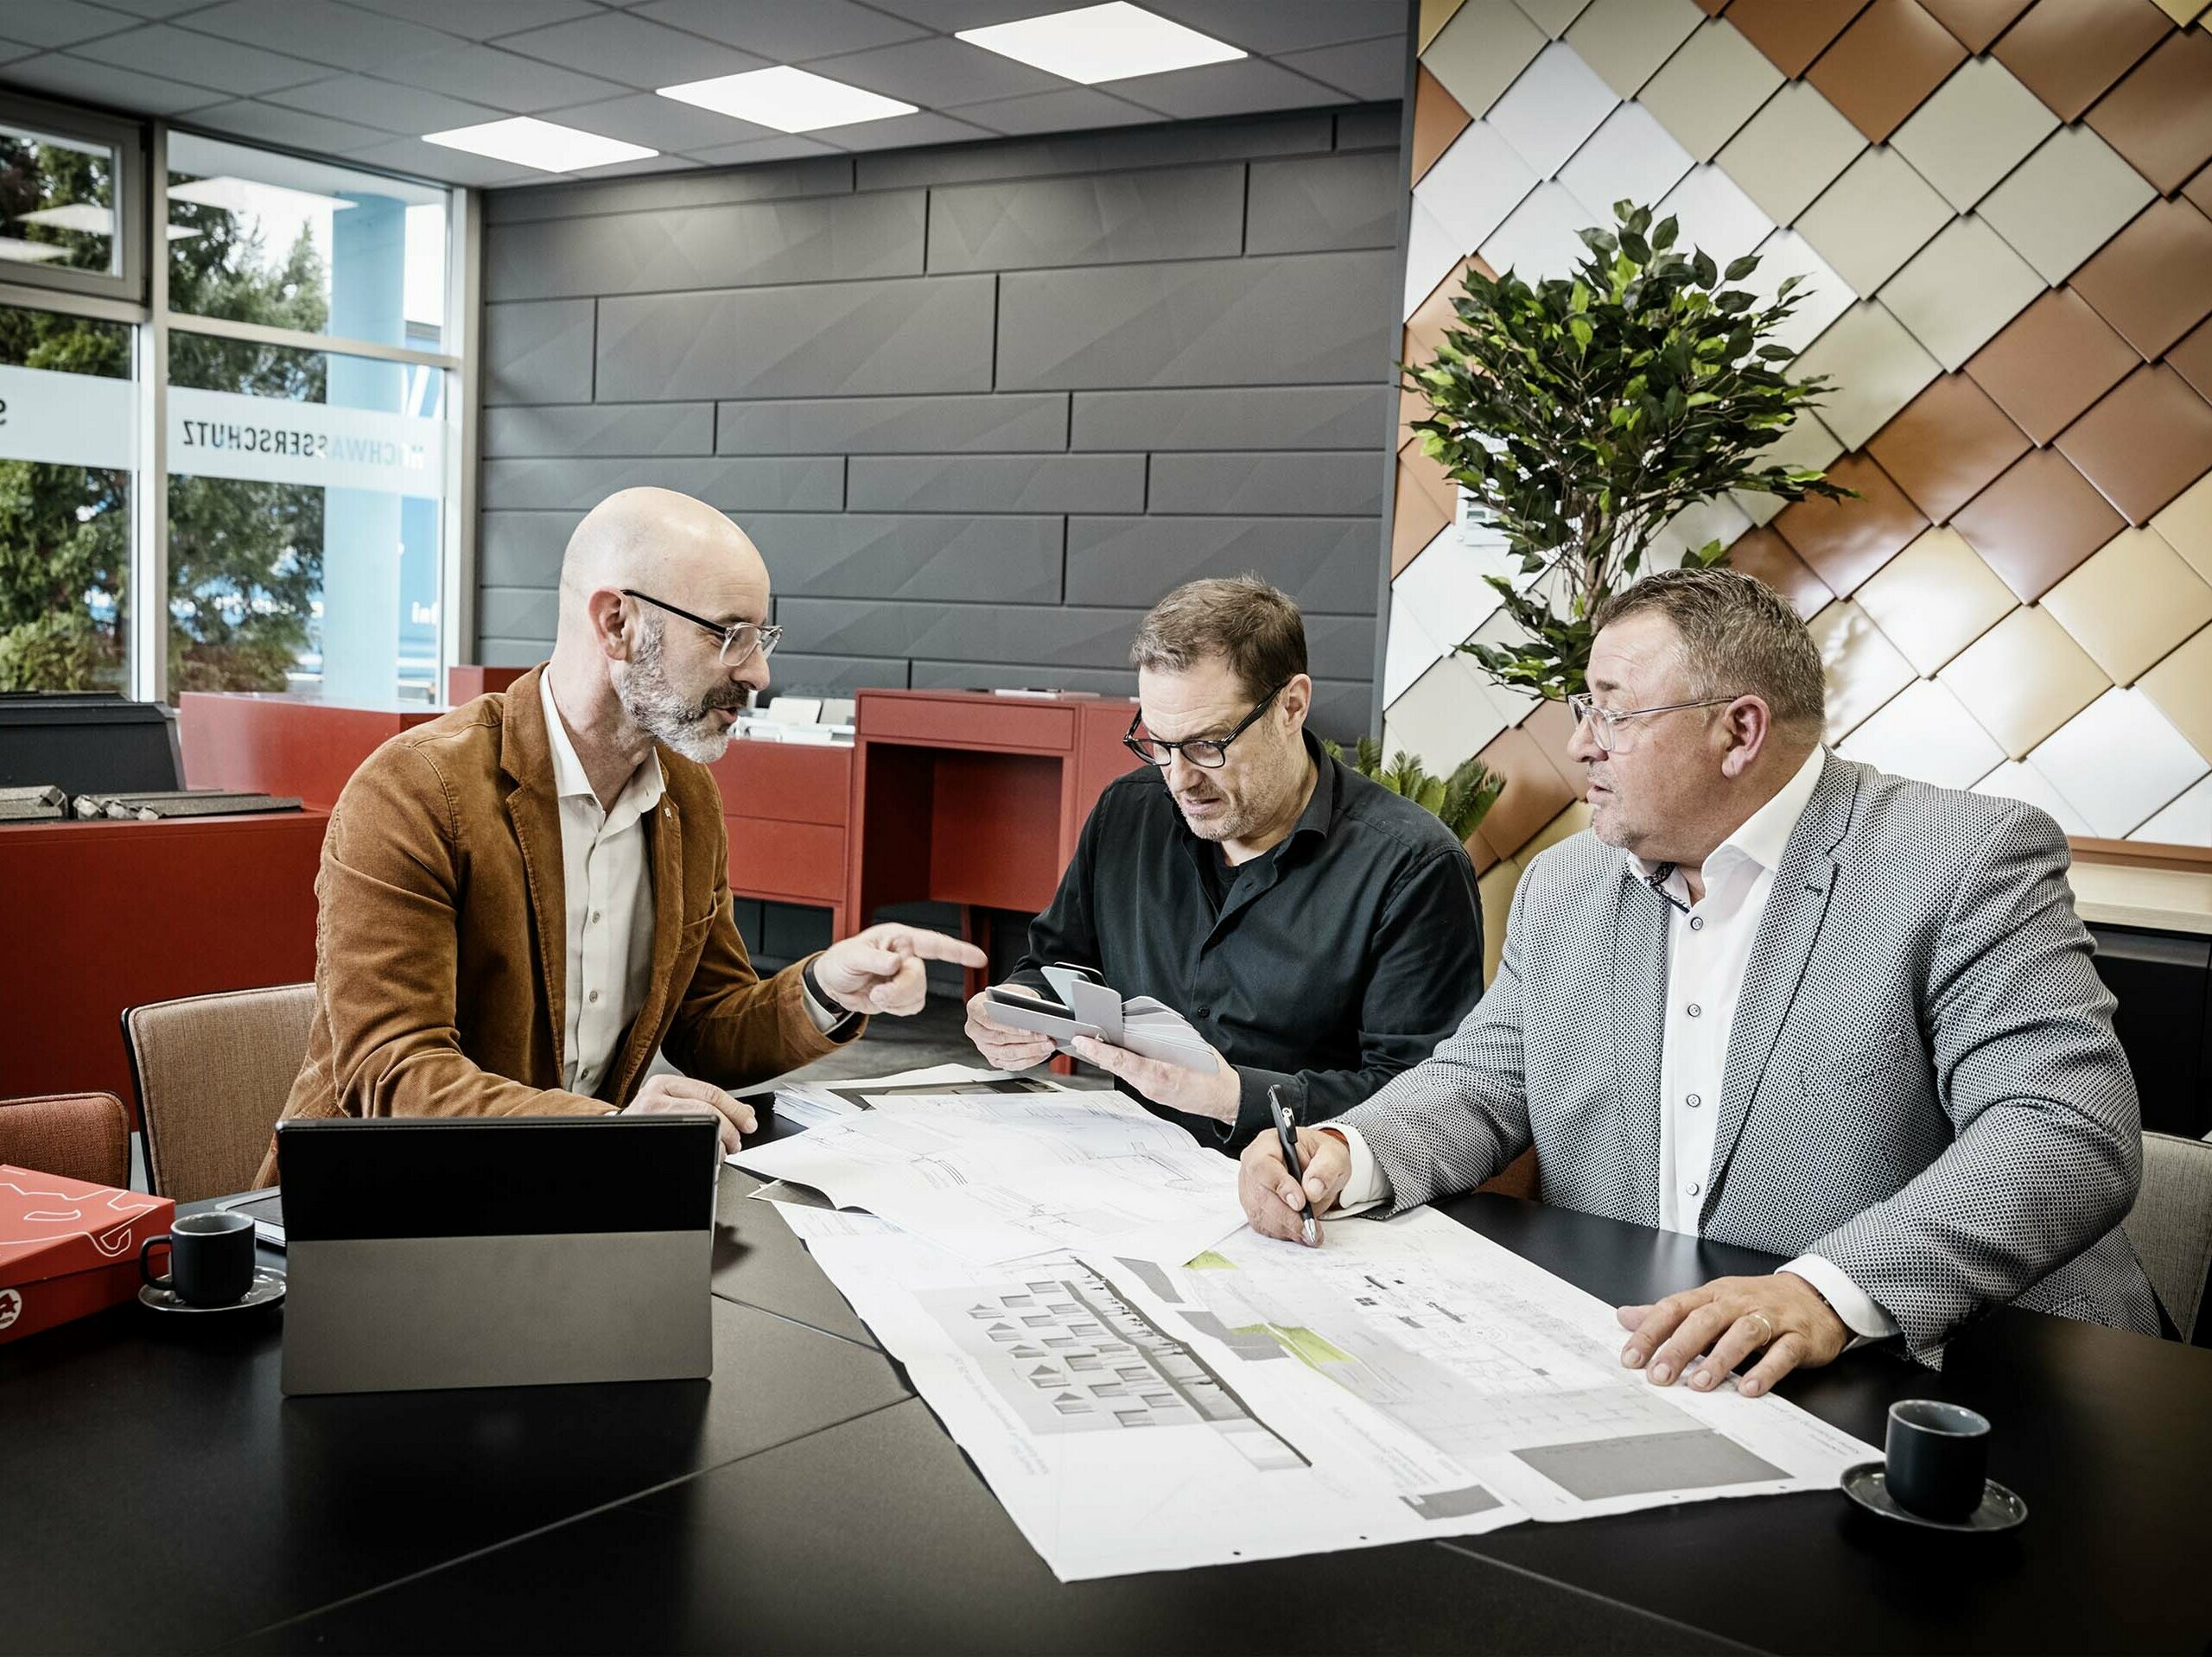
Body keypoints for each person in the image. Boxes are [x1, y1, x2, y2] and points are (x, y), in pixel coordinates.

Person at [1241, 566, 2160, 1385]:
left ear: (1739, 731)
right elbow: (1483, 1079)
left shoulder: (1961, 860)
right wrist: (1345, 1153)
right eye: (1581, 708)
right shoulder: (1567, 884)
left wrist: (1826, 1292)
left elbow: (2064, 1131)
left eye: (1612, 709)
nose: (1582, 745)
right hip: (1670, 1367)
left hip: (1968, 1384)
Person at [252, 487, 982, 1184]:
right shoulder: (414, 792)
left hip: (568, 1205)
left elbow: (707, 1026)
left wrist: (827, 985)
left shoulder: (686, 800)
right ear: (617, 625)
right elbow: (396, 1074)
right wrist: (605, 1131)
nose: (758, 672)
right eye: (729, 634)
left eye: (761, 637)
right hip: (368, 1213)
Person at [963, 576, 1485, 1152]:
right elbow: (1058, 962)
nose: (1179, 778)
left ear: (1291, 706)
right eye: (1159, 744)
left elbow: (1422, 1101)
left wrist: (1232, 1097)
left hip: (1309, 1197)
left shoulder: (1411, 866)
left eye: (1208, 744)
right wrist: (1025, 1010)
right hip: (1127, 1170)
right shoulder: (1129, 812)